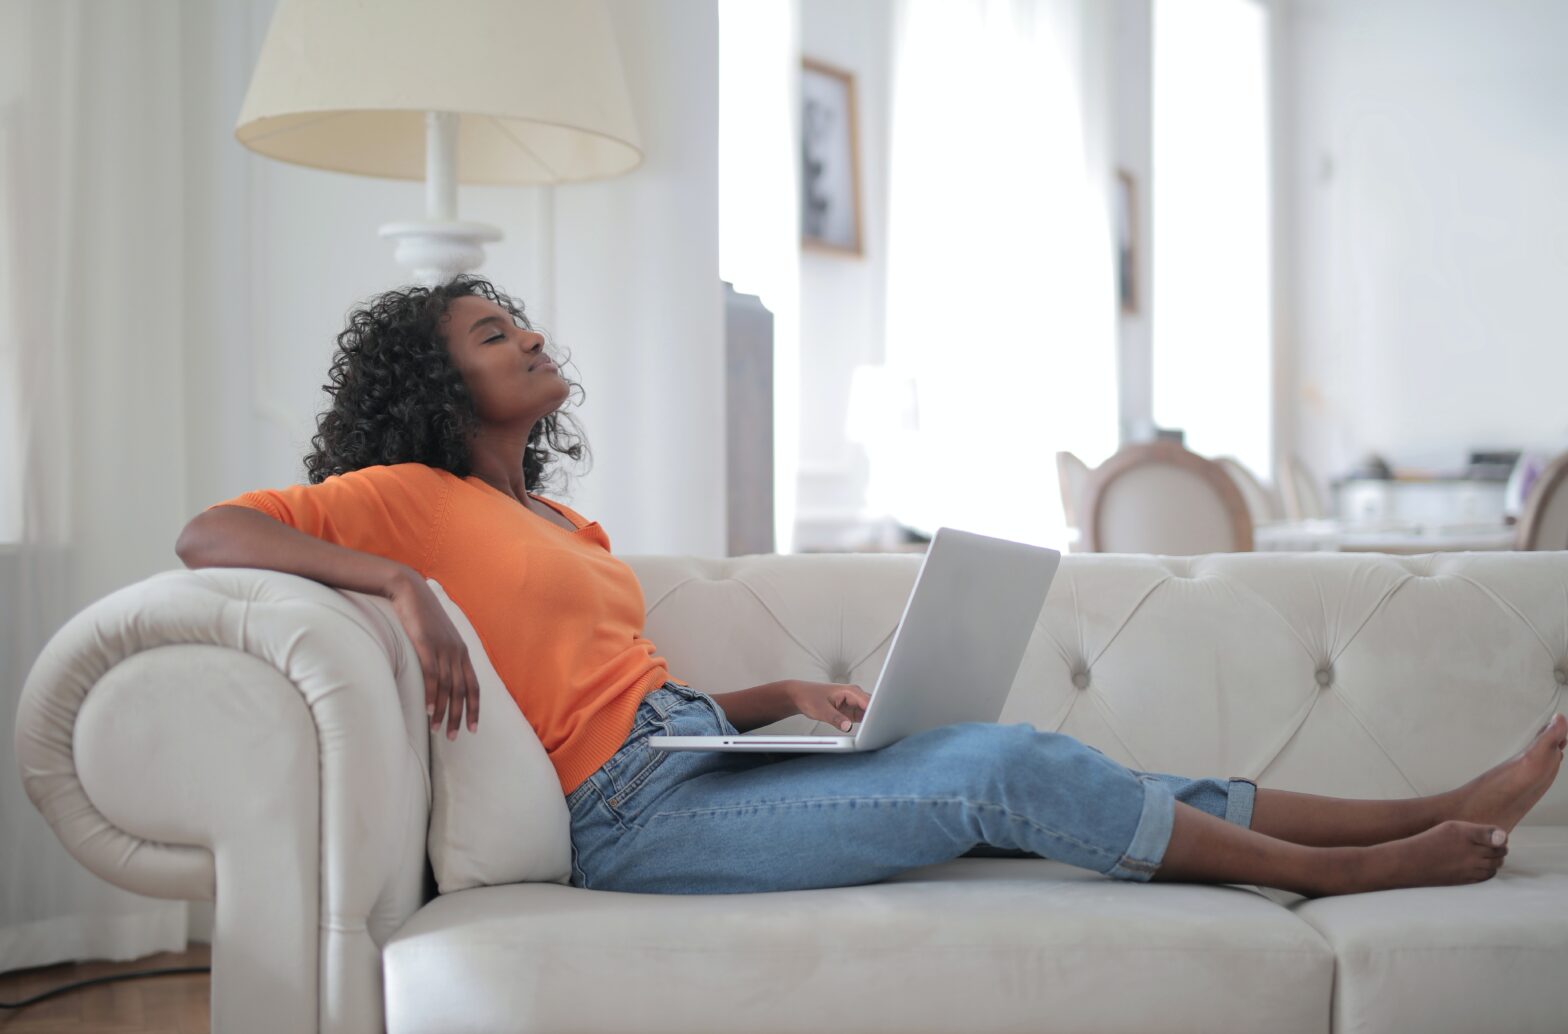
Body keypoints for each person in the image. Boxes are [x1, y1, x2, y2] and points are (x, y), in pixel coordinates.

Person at [176, 275, 1566, 898]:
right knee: (1000, 770)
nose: (531, 334)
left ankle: (1433, 804)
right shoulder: (406, 499)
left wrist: (775, 695)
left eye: (522, 317)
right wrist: (401, 589)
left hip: (688, 758)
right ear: (439, 382)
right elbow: (209, 533)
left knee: (1047, 761)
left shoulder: (565, 519)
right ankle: (1364, 871)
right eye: (494, 331)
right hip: (625, 823)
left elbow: (613, 693)